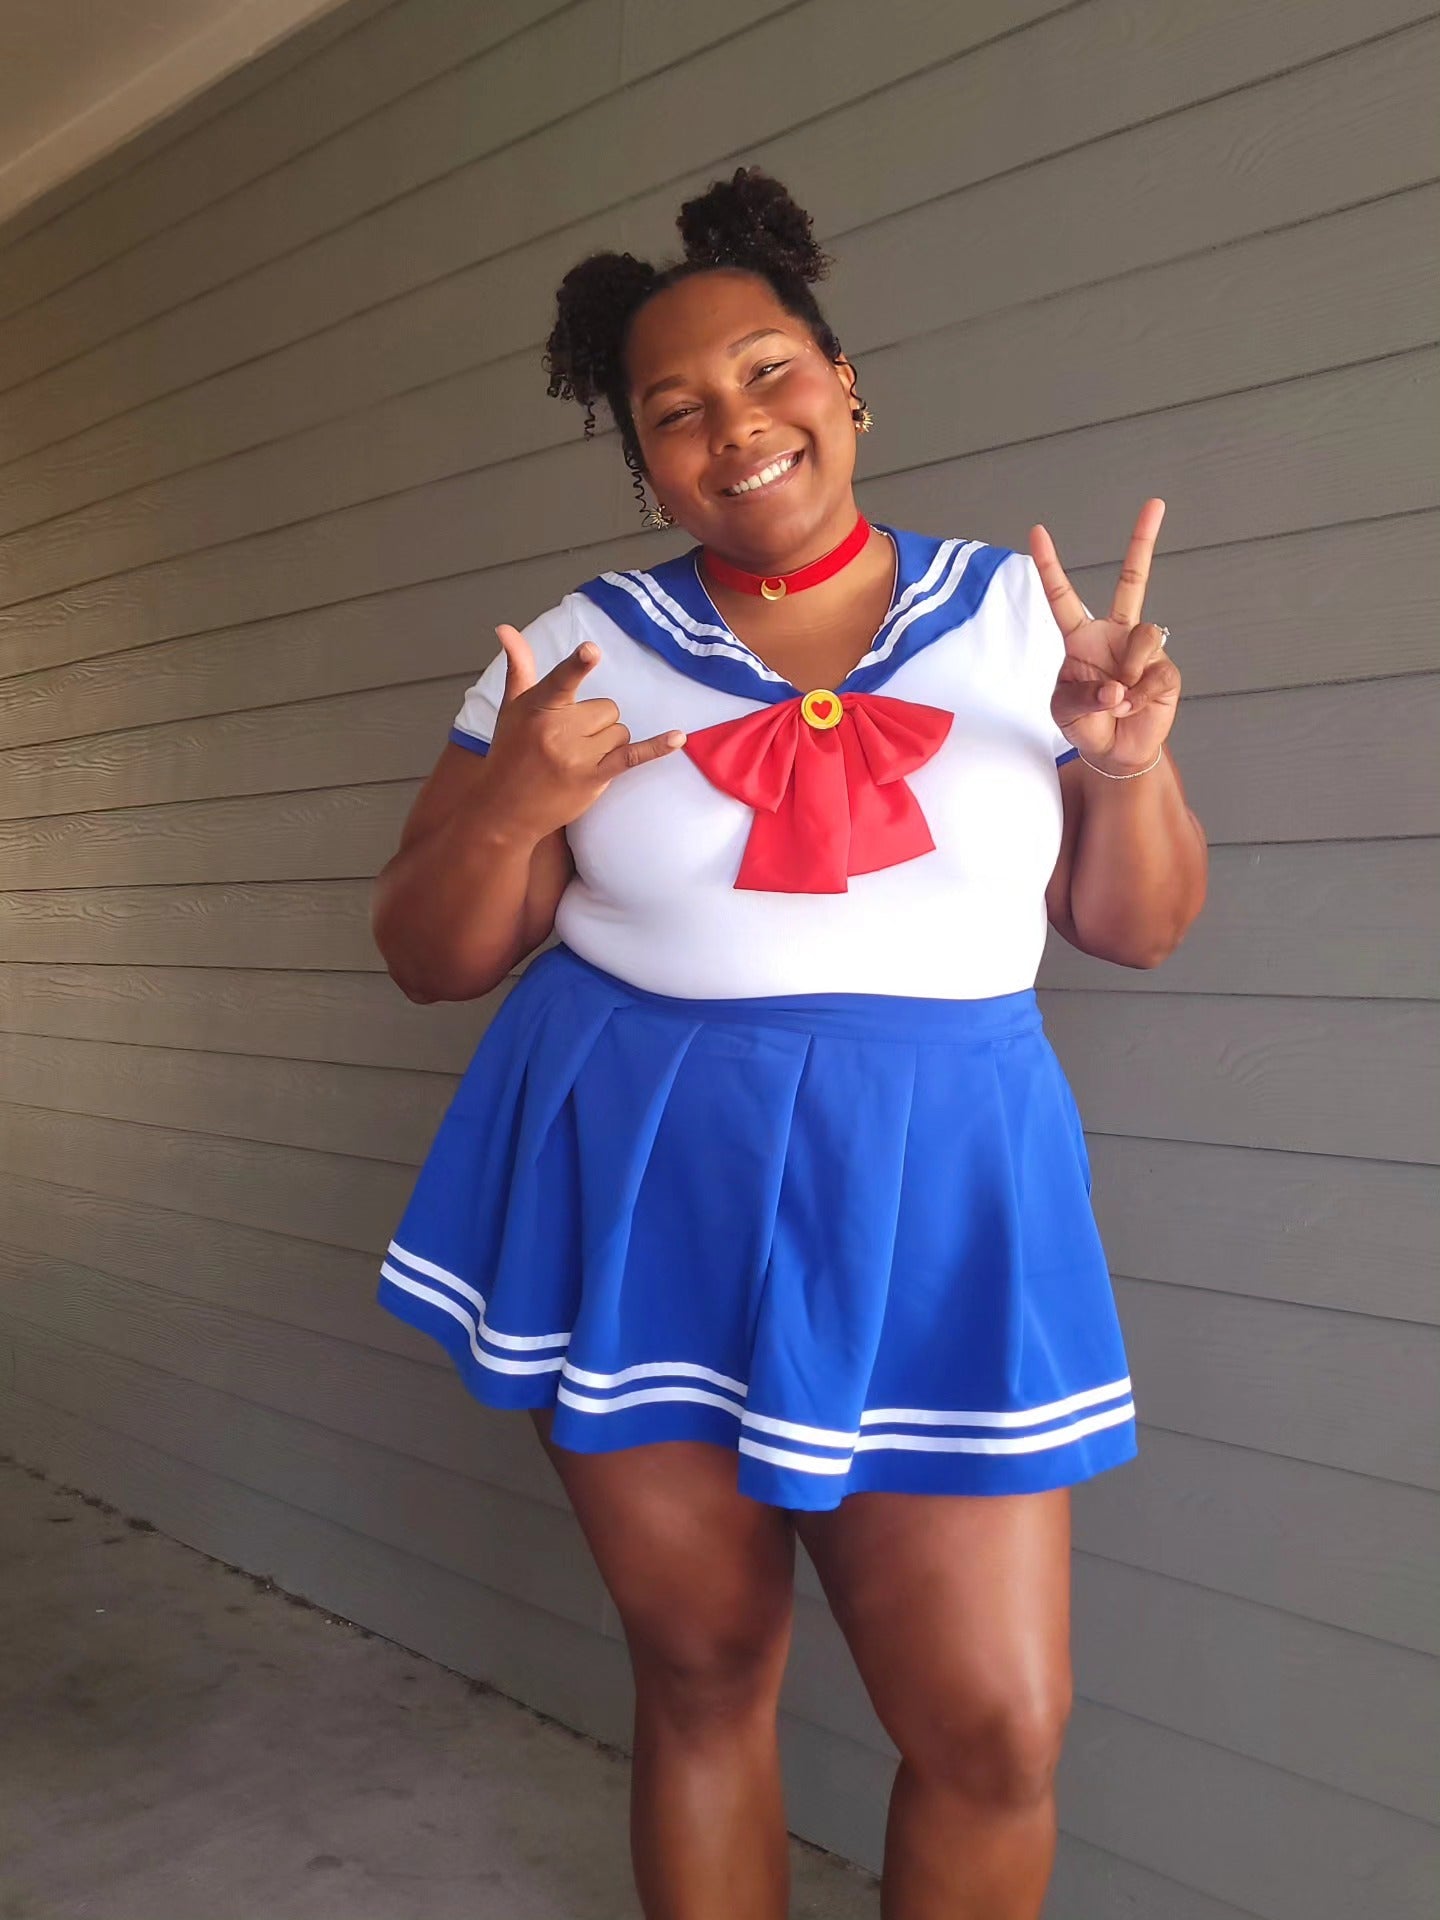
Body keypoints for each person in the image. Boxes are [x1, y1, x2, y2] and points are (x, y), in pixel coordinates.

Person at [370, 166, 1207, 1920]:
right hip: (643, 1179)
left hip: (939, 1190)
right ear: (644, 461)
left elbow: (1133, 926)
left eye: (768, 373)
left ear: (844, 384)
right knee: (702, 1673)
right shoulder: (578, 650)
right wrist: (512, 802)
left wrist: (1122, 762)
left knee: (996, 1729)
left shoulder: (1022, 622)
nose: (735, 426)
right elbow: (431, 959)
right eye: (674, 410)